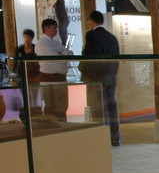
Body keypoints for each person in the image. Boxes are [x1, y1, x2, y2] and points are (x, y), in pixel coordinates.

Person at [79, 11, 121, 146]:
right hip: (110, 78)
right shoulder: (112, 38)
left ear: (92, 21)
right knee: (111, 107)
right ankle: (115, 137)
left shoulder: (91, 35)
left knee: (99, 109)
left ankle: (102, 138)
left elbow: (89, 57)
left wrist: (82, 69)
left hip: (96, 79)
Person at [35, 18, 72, 121]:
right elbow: (55, 57)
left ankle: (62, 125)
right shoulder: (41, 43)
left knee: (62, 105)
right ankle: (52, 129)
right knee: (52, 107)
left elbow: (69, 53)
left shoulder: (56, 42)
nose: (56, 30)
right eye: (54, 28)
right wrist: (63, 55)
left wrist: (63, 54)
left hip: (60, 77)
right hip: (50, 78)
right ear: (46, 28)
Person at [13, 29, 41, 106]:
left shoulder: (36, 48)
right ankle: (26, 111)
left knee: (35, 97)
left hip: (34, 76)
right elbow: (15, 63)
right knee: (25, 96)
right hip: (22, 76)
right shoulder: (19, 49)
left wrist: (39, 76)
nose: (26, 39)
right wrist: (14, 75)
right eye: (24, 37)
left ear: (32, 38)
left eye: (28, 37)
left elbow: (40, 63)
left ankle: (35, 111)